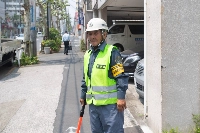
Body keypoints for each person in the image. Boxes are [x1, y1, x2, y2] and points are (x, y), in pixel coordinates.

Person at [80, 18, 129, 133]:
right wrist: (83, 94)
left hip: (111, 107)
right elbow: (86, 77)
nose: (92, 37)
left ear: (104, 34)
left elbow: (120, 76)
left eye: (95, 33)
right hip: (94, 106)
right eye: (90, 34)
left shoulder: (112, 52)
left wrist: (121, 97)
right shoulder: (87, 54)